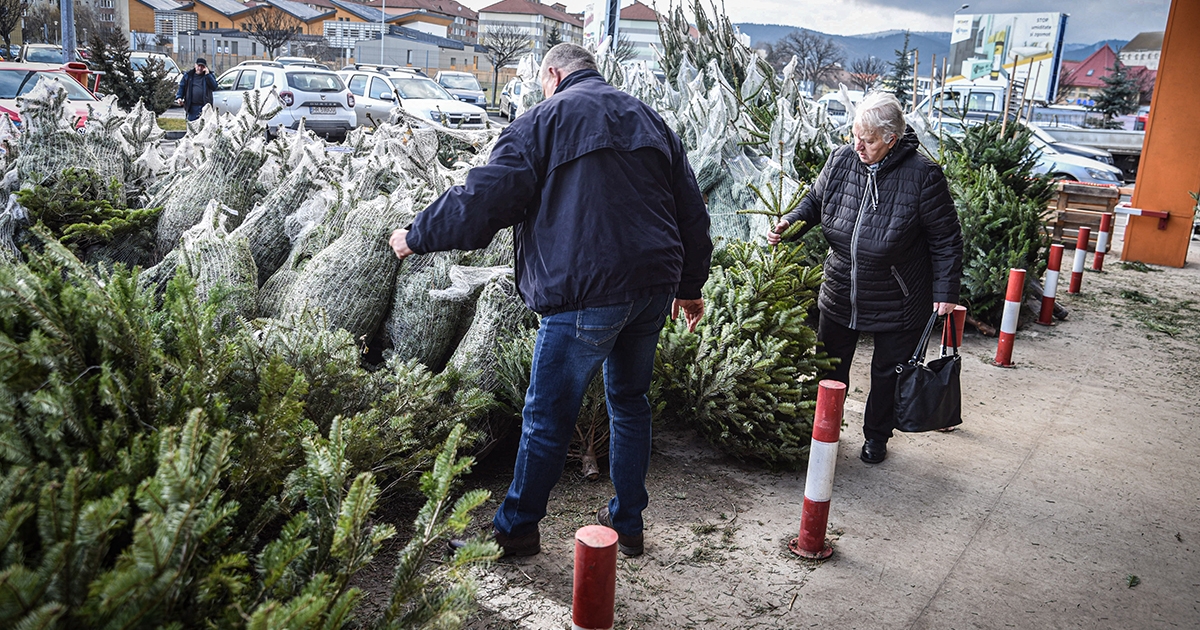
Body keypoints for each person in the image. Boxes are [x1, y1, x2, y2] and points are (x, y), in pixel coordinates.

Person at [388, 43, 712, 557]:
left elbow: (484, 197)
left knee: (546, 416)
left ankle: (516, 529)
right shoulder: (648, 118)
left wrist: (417, 233)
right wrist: (690, 287)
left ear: (553, 74)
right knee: (630, 404)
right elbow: (692, 210)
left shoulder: (543, 119)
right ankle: (628, 524)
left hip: (586, 291)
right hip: (652, 286)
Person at [766, 91, 962, 465]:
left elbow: (946, 238)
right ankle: (825, 432)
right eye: (855, 135)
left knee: (887, 372)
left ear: (891, 138)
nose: (858, 145)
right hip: (841, 287)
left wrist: (945, 291)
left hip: (899, 294)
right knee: (830, 365)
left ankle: (876, 436)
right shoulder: (841, 160)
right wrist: (791, 222)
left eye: (868, 139)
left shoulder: (923, 175)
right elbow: (815, 202)